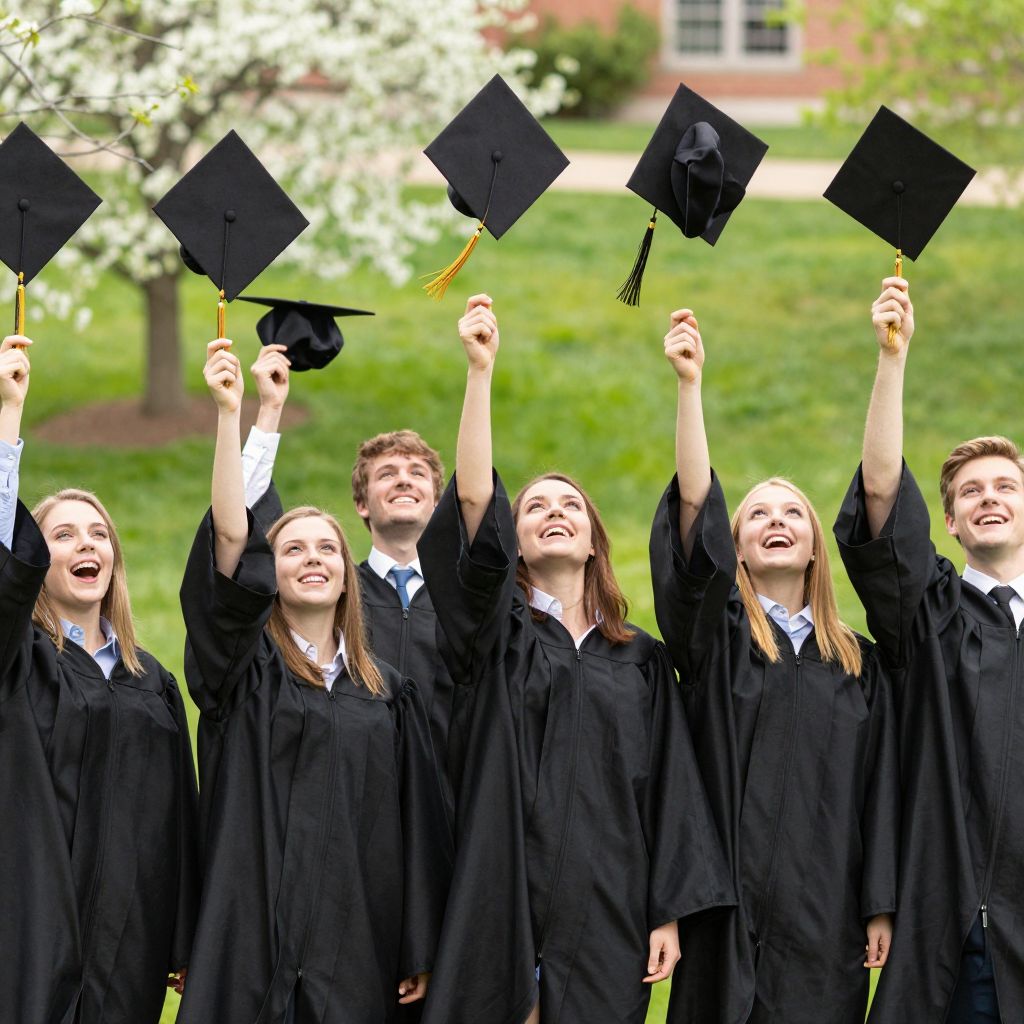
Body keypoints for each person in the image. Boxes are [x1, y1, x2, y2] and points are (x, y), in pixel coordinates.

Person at [417, 295, 733, 1024]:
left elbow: (669, 794)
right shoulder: (495, 641)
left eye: (571, 508)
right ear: (513, 544)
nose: (554, 512)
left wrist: (666, 912)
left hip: (609, 905)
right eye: (534, 508)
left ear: (594, 541)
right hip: (501, 897)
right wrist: (479, 373)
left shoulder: (641, 662)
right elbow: (470, 501)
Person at [177, 338, 451, 1024]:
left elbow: (411, 824)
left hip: (352, 941)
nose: (312, 558)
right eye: (291, 548)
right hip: (249, 936)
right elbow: (229, 546)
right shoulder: (240, 673)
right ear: (270, 572)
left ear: (346, 571)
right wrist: (249, 416)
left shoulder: (388, 693)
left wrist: (416, 941)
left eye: (326, 547)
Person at [650, 309, 898, 1024]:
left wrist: (879, 903)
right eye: (757, 515)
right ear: (736, 549)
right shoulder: (714, 643)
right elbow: (692, 518)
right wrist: (689, 388)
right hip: (722, 917)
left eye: (792, 512)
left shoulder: (860, 668)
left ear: (817, 547)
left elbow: (880, 792)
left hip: (827, 916)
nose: (776, 520)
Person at [834, 279, 1024, 1024]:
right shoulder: (934, 612)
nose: (989, 497)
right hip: (969, 934)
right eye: (970, 491)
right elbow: (880, 493)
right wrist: (893, 360)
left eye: (1005, 485)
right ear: (946, 522)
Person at [0, 333, 199, 1024]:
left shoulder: (154, 683)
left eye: (98, 533)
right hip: (28, 923)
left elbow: (179, 816)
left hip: (129, 937)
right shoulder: (16, 662)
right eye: (62, 534)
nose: (86, 543)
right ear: (31, 558)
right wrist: (8, 418)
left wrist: (182, 934)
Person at [243, 343, 457, 806]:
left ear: (437, 504)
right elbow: (245, 535)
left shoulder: (463, 606)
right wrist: (268, 413)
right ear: (362, 504)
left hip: (447, 812)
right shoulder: (328, 601)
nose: (403, 480)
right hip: (351, 804)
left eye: (417, 473)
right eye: (387, 474)